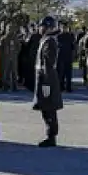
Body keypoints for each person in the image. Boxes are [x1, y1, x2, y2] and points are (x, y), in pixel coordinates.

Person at [32, 16, 63, 148]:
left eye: (42, 26)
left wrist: (46, 83)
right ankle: (50, 134)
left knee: (49, 108)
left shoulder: (50, 41)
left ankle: (51, 136)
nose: (40, 28)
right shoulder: (45, 40)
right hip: (44, 78)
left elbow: (48, 63)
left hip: (47, 79)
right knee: (45, 108)